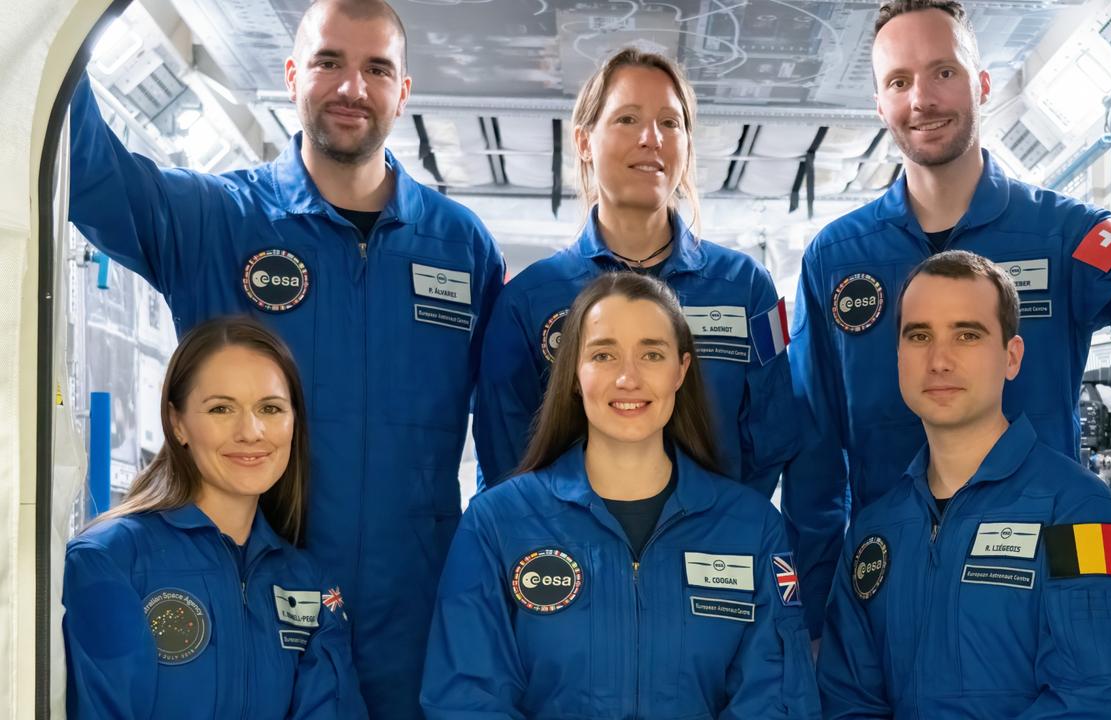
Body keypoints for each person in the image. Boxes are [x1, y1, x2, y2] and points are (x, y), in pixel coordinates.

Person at [67, 1, 504, 715]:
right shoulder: (219, 221)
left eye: (376, 69)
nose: (351, 87)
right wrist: (60, 24)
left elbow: (507, 432)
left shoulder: (460, 246)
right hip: (256, 610)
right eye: (330, 62)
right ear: (293, 73)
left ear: (404, 90)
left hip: (419, 622)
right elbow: (93, 175)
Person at [784, 0, 1111, 635]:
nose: (922, 98)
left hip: (1033, 579)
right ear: (879, 103)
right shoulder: (836, 260)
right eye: (899, 81)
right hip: (891, 590)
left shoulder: (1063, 233)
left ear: (981, 84)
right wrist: (816, 620)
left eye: (942, 72)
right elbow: (814, 454)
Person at [422, 273, 820, 719]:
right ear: (574, 373)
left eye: (652, 354)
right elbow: (467, 700)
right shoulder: (496, 526)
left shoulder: (753, 529)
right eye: (604, 355)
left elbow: (775, 701)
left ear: (681, 371)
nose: (628, 378)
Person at [817, 251, 1111, 718]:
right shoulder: (875, 531)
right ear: (899, 358)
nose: (939, 360)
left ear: (1011, 358)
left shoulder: (1079, 515)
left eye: (967, 335)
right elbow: (848, 702)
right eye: (919, 335)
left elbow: (1092, 697)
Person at [473, 48, 800, 496]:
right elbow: (504, 458)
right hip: (573, 556)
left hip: (710, 551)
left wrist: (727, 525)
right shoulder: (528, 301)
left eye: (670, 122)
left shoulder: (749, 289)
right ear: (585, 141)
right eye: (628, 119)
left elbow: (774, 432)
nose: (653, 138)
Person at [63, 317, 366, 719]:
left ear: (294, 422)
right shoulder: (109, 561)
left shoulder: (309, 583)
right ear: (177, 423)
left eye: (270, 408)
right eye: (221, 408)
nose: (251, 431)